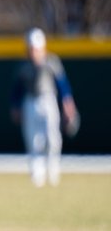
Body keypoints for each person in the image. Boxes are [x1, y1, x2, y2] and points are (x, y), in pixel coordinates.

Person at [10, 28, 79, 187]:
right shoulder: (23, 66)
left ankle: (53, 170)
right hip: (30, 102)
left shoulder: (51, 61)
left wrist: (68, 104)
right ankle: (37, 174)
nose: (33, 52)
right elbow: (17, 89)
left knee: (53, 138)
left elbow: (63, 86)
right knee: (33, 139)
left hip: (49, 100)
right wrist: (15, 106)